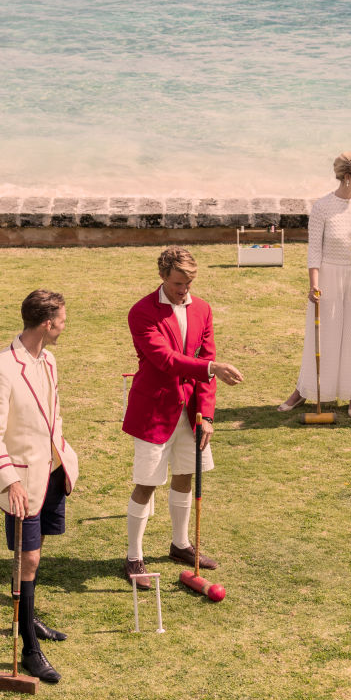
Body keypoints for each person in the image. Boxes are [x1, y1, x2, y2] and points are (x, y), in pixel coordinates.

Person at [122, 246, 244, 589]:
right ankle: (133, 555)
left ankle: (180, 544)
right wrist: (212, 368)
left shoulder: (202, 309)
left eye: (189, 283)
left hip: (189, 410)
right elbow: (166, 360)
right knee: (147, 483)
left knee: (185, 475)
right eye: (178, 283)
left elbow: (207, 357)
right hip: (154, 410)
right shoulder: (142, 312)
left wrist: (206, 414)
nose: (184, 290)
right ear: (163, 276)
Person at [0, 289, 79, 684]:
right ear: (47, 323)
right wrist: (8, 479)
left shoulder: (49, 360)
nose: (65, 325)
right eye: (62, 319)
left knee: (36, 554)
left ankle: (29, 618)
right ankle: (30, 647)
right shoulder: (2, 368)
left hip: (51, 472)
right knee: (28, 559)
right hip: (21, 479)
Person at [279, 152, 351, 419]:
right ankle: (304, 390)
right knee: (321, 335)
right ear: (348, 177)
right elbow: (314, 251)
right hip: (329, 276)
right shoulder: (322, 207)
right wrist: (314, 285)